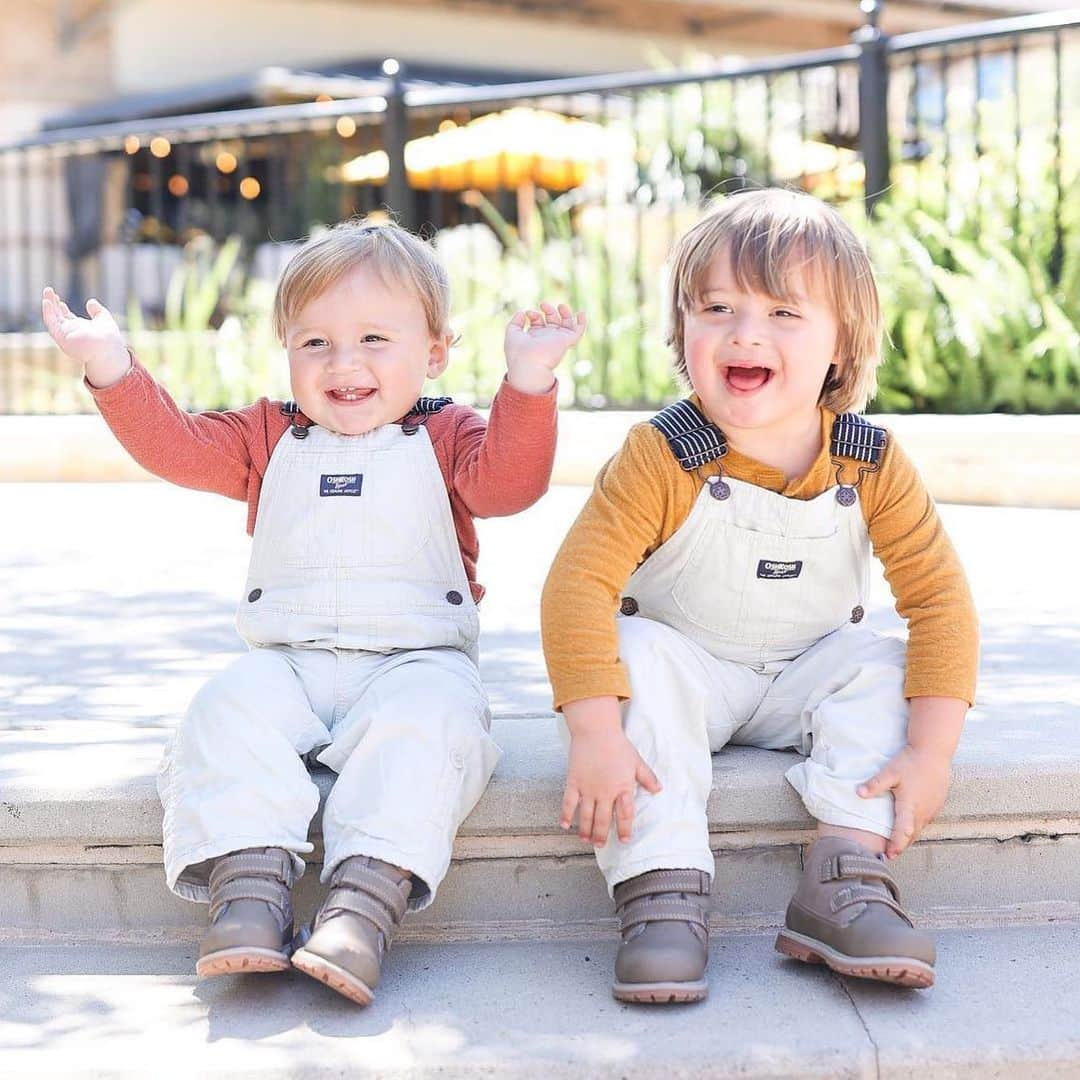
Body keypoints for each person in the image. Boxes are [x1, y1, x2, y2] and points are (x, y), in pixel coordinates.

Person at [42, 219, 585, 1006]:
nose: (345, 363)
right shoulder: (269, 434)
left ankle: (362, 907)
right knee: (223, 712)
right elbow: (179, 447)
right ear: (288, 351)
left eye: (373, 338)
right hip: (287, 664)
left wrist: (528, 383)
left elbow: (510, 485)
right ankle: (249, 891)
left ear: (433, 353)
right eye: (316, 343)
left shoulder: (446, 433)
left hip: (415, 662)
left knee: (431, 731)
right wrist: (110, 366)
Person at [540, 188, 978, 1003]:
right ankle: (661, 889)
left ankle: (844, 877)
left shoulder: (868, 461)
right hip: (690, 677)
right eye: (717, 307)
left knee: (880, 663)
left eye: (784, 312)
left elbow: (941, 604)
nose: (746, 333)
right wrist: (594, 732)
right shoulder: (663, 453)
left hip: (800, 677)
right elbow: (577, 589)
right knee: (633, 655)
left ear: (841, 344)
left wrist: (931, 753)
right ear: (683, 331)